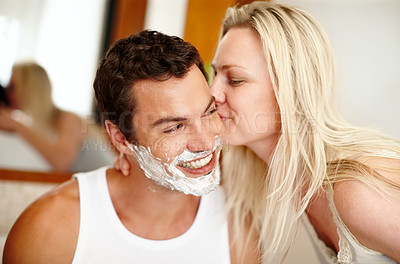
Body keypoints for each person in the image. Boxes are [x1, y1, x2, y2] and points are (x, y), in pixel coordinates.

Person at [116, 2, 400, 263]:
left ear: (291, 90)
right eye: (213, 75)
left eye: (235, 80)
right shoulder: (275, 178)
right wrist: (136, 155)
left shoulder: (356, 192)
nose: (212, 94)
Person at [3, 30, 260, 264]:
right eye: (174, 128)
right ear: (120, 138)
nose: (206, 142)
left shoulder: (239, 229)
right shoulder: (50, 229)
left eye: (209, 112)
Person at [0, 62, 114, 172]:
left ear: (29, 89)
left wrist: (16, 125)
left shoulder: (68, 119)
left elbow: (62, 163)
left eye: (12, 87)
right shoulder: (41, 126)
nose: (8, 93)